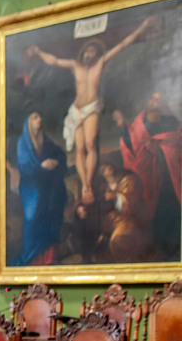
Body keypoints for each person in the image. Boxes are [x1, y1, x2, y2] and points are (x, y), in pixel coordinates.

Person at [25, 16, 156, 202]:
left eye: (93, 52)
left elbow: (122, 45)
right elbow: (53, 61)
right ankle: (85, 185)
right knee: (79, 150)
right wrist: (38, 51)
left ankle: (88, 186)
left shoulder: (100, 64)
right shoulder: (75, 66)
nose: (89, 54)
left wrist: (142, 26)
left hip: (92, 108)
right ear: (83, 53)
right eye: (87, 51)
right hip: (76, 110)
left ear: (97, 54)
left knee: (90, 145)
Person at [115, 91, 182, 258]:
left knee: (171, 215)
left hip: (169, 183)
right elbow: (132, 143)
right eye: (152, 98)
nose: (154, 102)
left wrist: (159, 153)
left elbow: (176, 148)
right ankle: (157, 252)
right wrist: (123, 127)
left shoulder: (171, 123)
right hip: (148, 180)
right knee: (153, 218)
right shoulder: (141, 121)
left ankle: (173, 254)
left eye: (158, 99)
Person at [14, 112, 69, 266]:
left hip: (48, 189)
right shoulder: (23, 143)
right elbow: (24, 168)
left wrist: (55, 163)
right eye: (35, 117)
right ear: (29, 123)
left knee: (51, 220)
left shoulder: (45, 140)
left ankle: (49, 259)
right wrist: (41, 167)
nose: (40, 119)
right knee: (32, 220)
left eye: (40, 117)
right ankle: (32, 259)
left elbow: (60, 156)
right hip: (31, 191)